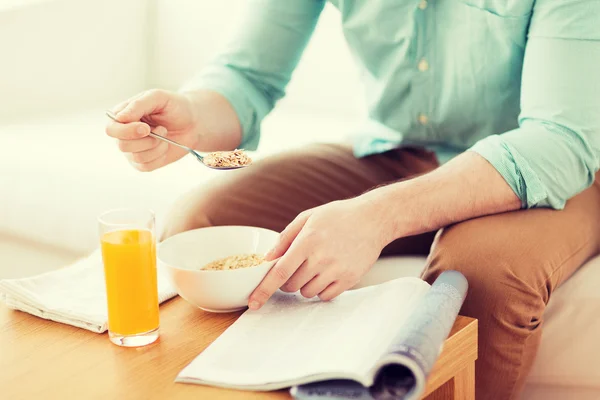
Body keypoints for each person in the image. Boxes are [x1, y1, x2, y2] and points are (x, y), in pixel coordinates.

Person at [105, 1, 600, 398]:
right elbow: (248, 75)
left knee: (480, 271)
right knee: (203, 222)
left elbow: (558, 140)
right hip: (395, 149)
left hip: (547, 170)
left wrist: (379, 215)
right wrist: (192, 115)